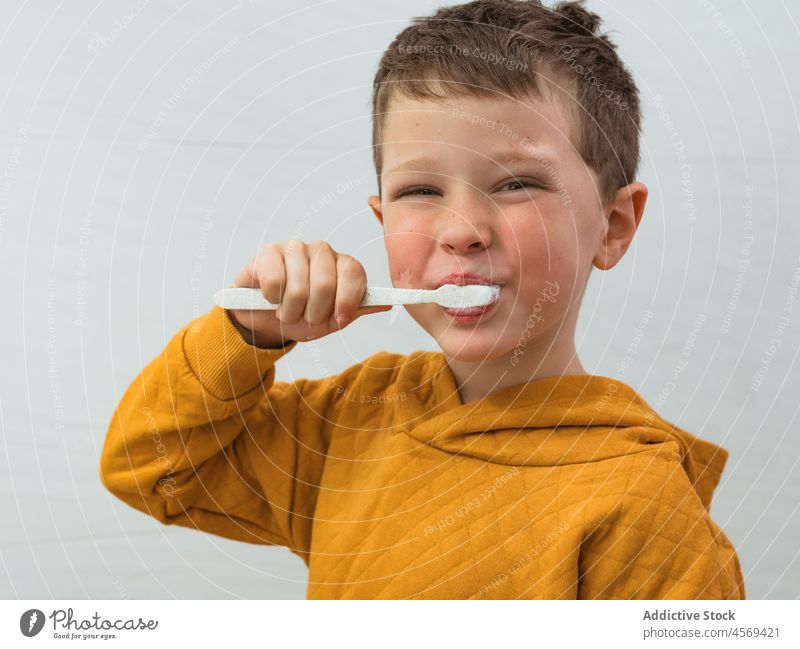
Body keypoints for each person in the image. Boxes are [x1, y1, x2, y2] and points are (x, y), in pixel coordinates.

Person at [99, 0, 745, 599]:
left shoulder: (644, 511)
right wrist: (247, 332)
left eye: (517, 183)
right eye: (420, 191)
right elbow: (148, 466)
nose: (461, 229)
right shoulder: (350, 424)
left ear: (613, 225)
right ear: (380, 219)